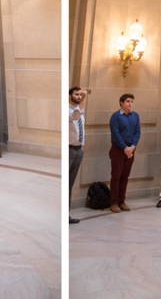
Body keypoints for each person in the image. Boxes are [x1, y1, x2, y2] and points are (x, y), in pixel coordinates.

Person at [108, 93, 141, 213]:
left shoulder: (135, 116)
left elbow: (137, 132)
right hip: (118, 150)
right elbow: (115, 133)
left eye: (131, 101)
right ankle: (114, 202)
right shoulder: (116, 116)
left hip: (130, 151)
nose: (130, 103)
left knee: (125, 177)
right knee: (116, 176)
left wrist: (132, 147)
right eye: (128, 101)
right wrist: (125, 148)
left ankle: (122, 201)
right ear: (121, 103)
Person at [68, 86, 87, 224]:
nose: (79, 97)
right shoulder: (68, 110)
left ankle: (66, 214)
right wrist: (84, 101)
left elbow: (81, 128)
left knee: (70, 184)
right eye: (77, 94)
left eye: (81, 95)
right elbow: (75, 116)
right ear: (69, 96)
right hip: (68, 150)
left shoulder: (80, 112)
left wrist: (82, 145)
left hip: (78, 150)